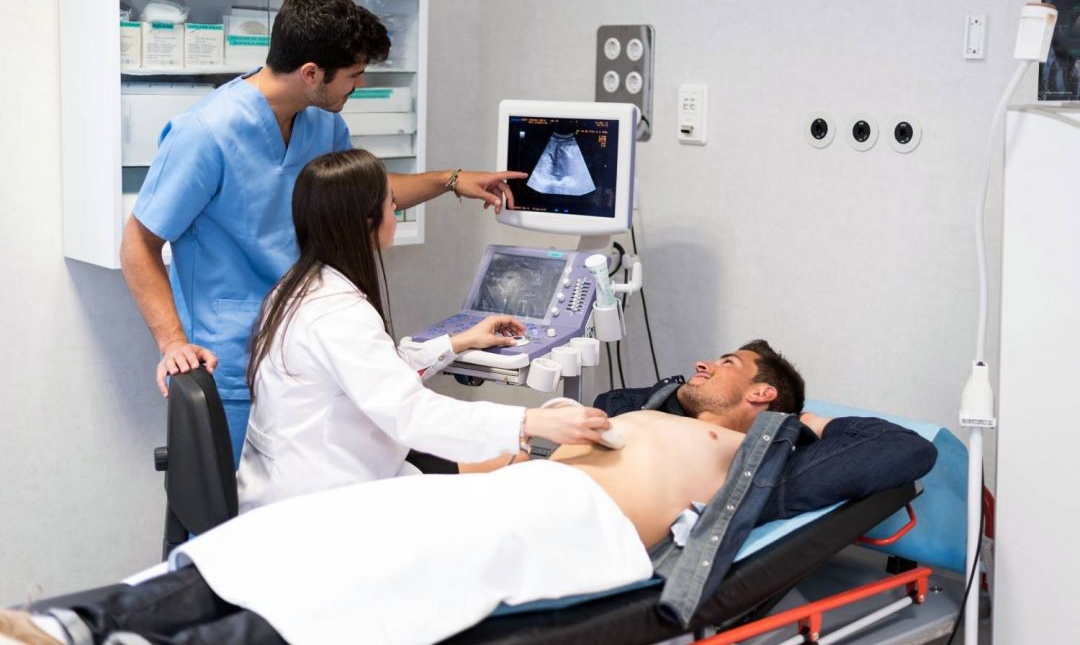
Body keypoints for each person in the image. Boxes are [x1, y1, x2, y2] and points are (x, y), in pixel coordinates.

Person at [0, 340, 937, 645]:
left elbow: (899, 449)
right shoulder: (646, 408)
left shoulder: (766, 454)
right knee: (300, 536)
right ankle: (82, 620)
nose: (704, 362)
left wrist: (805, 420)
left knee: (357, 589)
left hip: (571, 528)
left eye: (729, 362)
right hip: (503, 494)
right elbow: (572, 415)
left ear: (764, 395)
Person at [120, 0, 527, 462]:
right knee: (231, 502)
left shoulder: (321, 123)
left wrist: (450, 181)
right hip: (229, 360)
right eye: (353, 75)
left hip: (304, 353)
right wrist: (173, 344)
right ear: (311, 73)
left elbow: (366, 192)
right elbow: (138, 243)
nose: (359, 85)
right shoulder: (205, 134)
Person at [235, 148, 611, 511]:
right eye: (391, 203)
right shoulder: (338, 313)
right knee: (527, 467)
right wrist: (530, 420)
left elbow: (373, 371)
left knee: (514, 457)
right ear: (367, 222)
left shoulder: (297, 288)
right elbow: (411, 414)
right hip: (327, 501)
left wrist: (458, 342)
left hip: (309, 472)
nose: (396, 211)